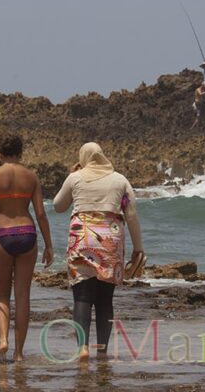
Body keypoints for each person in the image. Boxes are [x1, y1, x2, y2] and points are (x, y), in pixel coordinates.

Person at [53, 142, 144, 361]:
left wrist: (73, 175)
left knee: (82, 296)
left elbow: (58, 205)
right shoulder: (119, 179)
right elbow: (131, 214)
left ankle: (82, 348)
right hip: (110, 240)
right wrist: (138, 248)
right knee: (105, 299)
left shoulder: (76, 177)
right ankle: (102, 351)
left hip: (82, 238)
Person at [0, 134, 54, 363]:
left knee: (1, 294)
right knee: (23, 295)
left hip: (3, 235)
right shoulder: (31, 176)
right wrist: (49, 245)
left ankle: (3, 341)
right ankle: (19, 353)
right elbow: (40, 213)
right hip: (28, 234)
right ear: (21, 153)